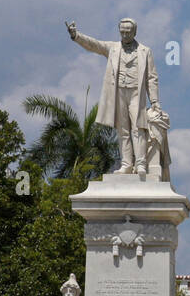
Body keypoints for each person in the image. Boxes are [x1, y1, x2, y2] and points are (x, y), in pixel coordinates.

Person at [65, 17, 162, 177]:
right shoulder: (113, 48)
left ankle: (140, 164)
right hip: (118, 92)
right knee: (122, 130)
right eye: (122, 32)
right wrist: (76, 35)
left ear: (134, 32)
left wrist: (155, 101)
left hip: (136, 93)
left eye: (128, 32)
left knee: (139, 128)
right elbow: (94, 45)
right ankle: (126, 164)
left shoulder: (145, 51)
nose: (124, 35)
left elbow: (152, 78)